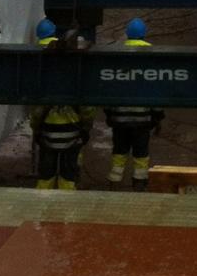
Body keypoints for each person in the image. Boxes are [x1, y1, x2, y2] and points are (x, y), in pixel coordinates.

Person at [30, 22, 95, 190]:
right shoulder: (74, 71)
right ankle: (64, 209)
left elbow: (37, 111)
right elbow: (87, 108)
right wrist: (86, 128)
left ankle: (41, 206)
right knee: (68, 175)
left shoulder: (34, 58)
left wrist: (35, 129)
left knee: (45, 175)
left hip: (47, 133)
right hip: (72, 134)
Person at [105, 17, 164, 189]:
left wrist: (109, 112)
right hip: (143, 118)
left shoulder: (116, 52)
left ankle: (114, 182)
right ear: (144, 34)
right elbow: (157, 88)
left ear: (127, 33)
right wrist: (157, 115)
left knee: (119, 151)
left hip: (119, 118)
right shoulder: (153, 53)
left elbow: (108, 85)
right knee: (141, 154)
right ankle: (139, 183)